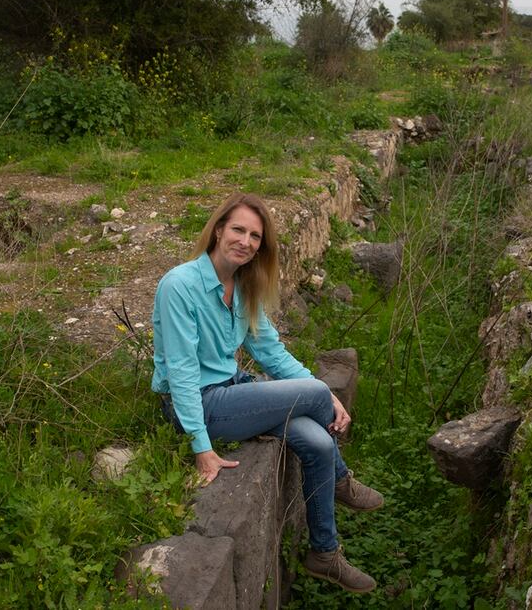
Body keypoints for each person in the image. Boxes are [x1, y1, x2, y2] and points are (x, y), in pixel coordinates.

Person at [151, 192, 382, 594]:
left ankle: (323, 554)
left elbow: (271, 352)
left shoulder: (243, 286)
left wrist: (320, 393)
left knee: (319, 445)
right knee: (315, 394)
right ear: (218, 229)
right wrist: (201, 448)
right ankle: (341, 482)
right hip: (198, 405)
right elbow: (183, 375)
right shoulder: (180, 285)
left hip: (232, 391)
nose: (245, 241)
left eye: (255, 236)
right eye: (238, 229)